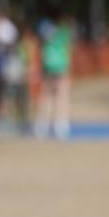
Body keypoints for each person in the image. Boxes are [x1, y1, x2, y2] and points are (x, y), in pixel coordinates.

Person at [34, 8, 75, 139]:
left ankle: (43, 124)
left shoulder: (45, 29)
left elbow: (41, 46)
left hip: (49, 66)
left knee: (47, 96)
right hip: (59, 66)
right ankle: (60, 124)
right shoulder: (63, 31)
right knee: (60, 96)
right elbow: (68, 48)